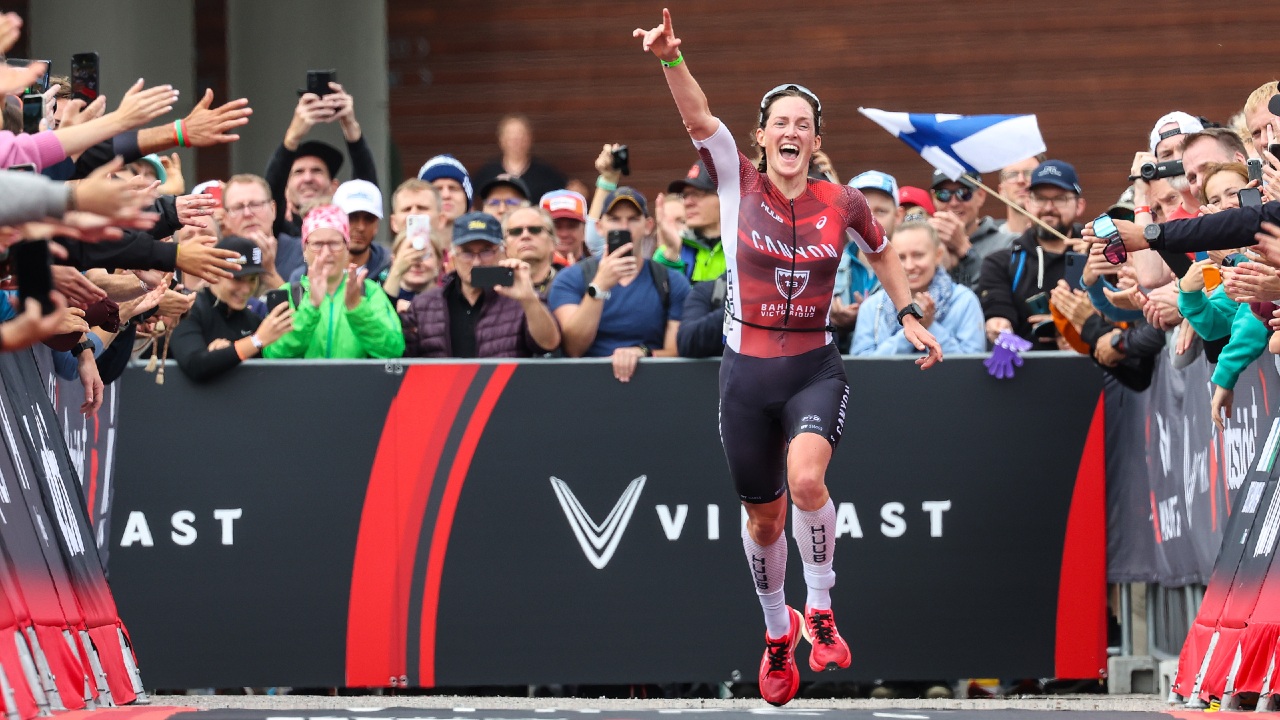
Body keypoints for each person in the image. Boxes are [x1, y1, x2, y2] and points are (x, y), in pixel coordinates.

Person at [634, 8, 942, 707]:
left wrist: (911, 314)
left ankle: (823, 608)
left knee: (807, 482)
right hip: (745, 374)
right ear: (762, 136)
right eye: (782, 122)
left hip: (812, 368)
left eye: (805, 123)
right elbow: (697, 116)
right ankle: (778, 632)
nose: (793, 131)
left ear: (817, 139)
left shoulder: (846, 202)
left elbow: (884, 253)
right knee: (764, 520)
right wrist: (670, 59)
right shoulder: (737, 181)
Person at [401, 212, 560, 358]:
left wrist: (529, 299)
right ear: (453, 257)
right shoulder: (425, 304)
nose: (476, 261)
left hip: (504, 388)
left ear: (502, 252)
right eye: (467, 252)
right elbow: (399, 357)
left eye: (486, 251)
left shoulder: (521, 297)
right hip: (443, 388)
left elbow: (549, 344)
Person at [262, 205, 404, 360]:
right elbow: (274, 353)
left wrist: (357, 309)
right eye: (317, 244)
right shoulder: (288, 293)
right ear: (304, 249)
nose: (326, 253)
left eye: (334, 244)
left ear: (347, 247)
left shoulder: (368, 292)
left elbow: (394, 349)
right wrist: (311, 307)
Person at [979, 160, 1087, 349]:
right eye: (1040, 198)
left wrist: (1071, 329)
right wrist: (999, 326)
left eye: (1060, 198)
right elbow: (998, 311)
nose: (1048, 208)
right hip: (1025, 371)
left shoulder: (1098, 258)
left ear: (1079, 205)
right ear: (1027, 203)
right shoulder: (1000, 263)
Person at [170, 236, 294, 381]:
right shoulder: (189, 308)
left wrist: (224, 355)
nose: (246, 289)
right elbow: (195, 364)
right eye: (238, 279)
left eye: (253, 279)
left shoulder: (252, 320)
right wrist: (256, 341)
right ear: (213, 273)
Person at [851, 221, 984, 356]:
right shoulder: (872, 306)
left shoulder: (964, 301)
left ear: (938, 255)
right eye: (900, 257)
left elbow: (970, 365)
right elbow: (863, 367)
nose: (909, 265)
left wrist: (930, 326)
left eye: (918, 255)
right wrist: (911, 329)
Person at [265, 83, 378, 237]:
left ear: (334, 187)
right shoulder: (278, 236)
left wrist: (351, 128)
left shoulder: (346, 234)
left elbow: (366, 193)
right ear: (285, 191)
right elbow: (271, 191)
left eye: (317, 171)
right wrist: (292, 137)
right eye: (298, 172)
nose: (308, 178)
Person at [928, 170, 1015, 291]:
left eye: (963, 193)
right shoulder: (925, 244)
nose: (953, 203)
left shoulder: (1008, 243)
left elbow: (995, 296)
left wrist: (965, 251)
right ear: (934, 198)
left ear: (981, 196)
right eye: (943, 194)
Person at [472, 114, 567, 204]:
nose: (516, 141)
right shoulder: (486, 173)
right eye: (511, 137)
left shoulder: (546, 173)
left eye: (521, 136)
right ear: (501, 140)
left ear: (529, 138)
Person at [654, 160, 725, 282]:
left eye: (697, 194)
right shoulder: (669, 251)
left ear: (724, 197)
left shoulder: (748, 246)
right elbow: (658, 298)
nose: (687, 203)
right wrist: (672, 254)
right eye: (685, 195)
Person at [503, 205, 563, 302]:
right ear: (505, 247)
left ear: (552, 242)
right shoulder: (496, 289)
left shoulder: (572, 283)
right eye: (516, 231)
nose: (525, 235)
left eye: (535, 230)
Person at [540, 189, 590, 263]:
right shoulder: (524, 271)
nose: (564, 234)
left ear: (584, 230)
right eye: (556, 226)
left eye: (571, 226)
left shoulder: (599, 271)